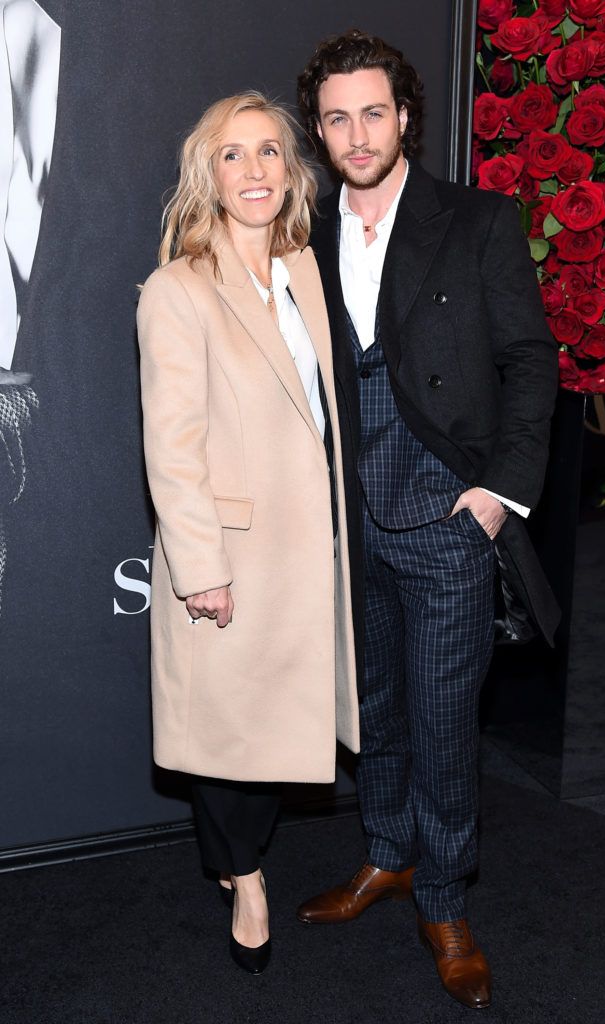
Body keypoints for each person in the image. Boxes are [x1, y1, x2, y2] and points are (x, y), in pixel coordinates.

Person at [296, 31, 558, 1009]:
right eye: (335, 117)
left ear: (405, 115)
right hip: (345, 513)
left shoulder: (477, 220)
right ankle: (385, 854)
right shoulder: (304, 231)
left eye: (372, 111)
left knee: (445, 722)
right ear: (318, 131)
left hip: (445, 507)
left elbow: (530, 363)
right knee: (374, 708)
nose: (356, 133)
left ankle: (443, 895)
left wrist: (495, 497)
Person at [136, 93, 359, 976]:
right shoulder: (177, 289)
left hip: (313, 549)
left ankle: (243, 861)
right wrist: (199, 568)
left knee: (275, 727)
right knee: (229, 739)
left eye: (270, 152)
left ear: (291, 169)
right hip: (233, 552)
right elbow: (172, 445)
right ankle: (247, 874)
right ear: (208, 174)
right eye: (234, 155)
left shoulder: (308, 267)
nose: (255, 170)